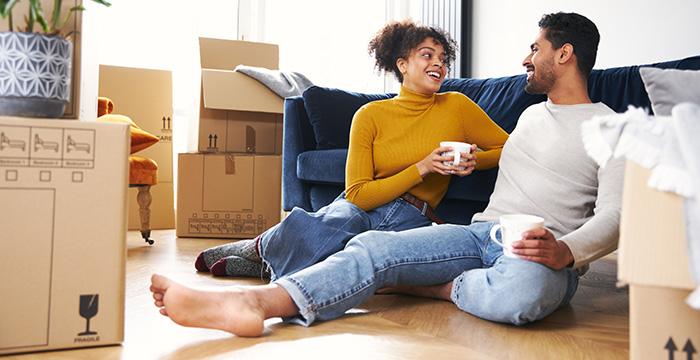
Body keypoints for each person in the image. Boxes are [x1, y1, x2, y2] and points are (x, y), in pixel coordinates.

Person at [149, 12, 622, 337]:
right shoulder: (530, 118)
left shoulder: (613, 129)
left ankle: (420, 283)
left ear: (563, 55)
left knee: (526, 294)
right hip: (478, 233)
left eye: (534, 48)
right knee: (365, 242)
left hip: (539, 253)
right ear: (401, 64)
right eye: (424, 55)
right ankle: (255, 304)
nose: (525, 59)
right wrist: (462, 161)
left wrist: (566, 251)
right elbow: (493, 155)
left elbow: (618, 214)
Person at [193, 20, 508, 279]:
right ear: (402, 64)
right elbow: (357, 194)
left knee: (349, 242)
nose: (438, 63)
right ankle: (260, 253)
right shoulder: (370, 115)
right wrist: (422, 167)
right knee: (342, 220)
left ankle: (260, 254)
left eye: (442, 58)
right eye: (427, 55)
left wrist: (474, 160)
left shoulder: (456, 106)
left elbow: (510, 147)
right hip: (360, 204)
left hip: (412, 212)